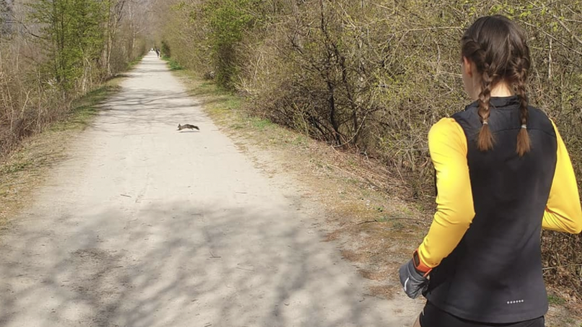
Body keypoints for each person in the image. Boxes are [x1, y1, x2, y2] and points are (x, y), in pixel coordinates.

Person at [398, 15, 582, 327]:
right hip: (528, 313)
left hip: (459, 306)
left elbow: (456, 214)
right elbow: (570, 217)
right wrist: (514, 213)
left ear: (468, 64)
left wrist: (420, 264)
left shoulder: (450, 130)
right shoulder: (546, 128)